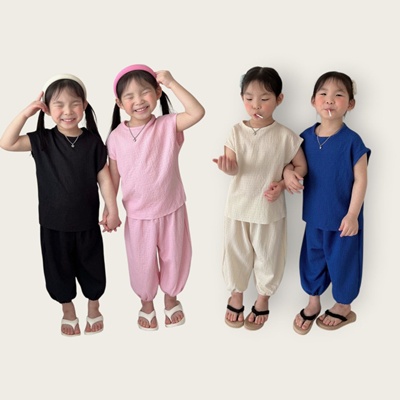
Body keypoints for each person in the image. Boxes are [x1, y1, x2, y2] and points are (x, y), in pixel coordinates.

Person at [0, 74, 121, 336]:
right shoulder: (42, 140)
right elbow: (6, 143)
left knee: (92, 267)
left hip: (87, 223)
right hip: (53, 224)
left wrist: (112, 209)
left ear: (84, 105)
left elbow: (104, 179)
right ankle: (67, 309)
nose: (67, 111)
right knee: (58, 270)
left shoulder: (92, 141)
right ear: (47, 108)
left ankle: (94, 305)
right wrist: (25, 113)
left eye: (74, 103)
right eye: (59, 104)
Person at [107, 64, 205, 331]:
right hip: (138, 215)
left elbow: (197, 112)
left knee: (175, 256)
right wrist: (110, 208)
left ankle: (171, 298)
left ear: (158, 92)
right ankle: (146, 302)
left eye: (145, 92)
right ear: (119, 103)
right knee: (141, 263)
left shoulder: (168, 125)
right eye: (129, 96)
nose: (138, 100)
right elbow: (113, 179)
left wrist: (172, 82)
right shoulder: (115, 138)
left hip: (171, 208)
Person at [213, 66, 307, 330]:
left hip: (268, 209)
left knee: (268, 254)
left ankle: (263, 297)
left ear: (279, 99)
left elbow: (301, 166)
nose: (256, 105)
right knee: (236, 252)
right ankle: (236, 294)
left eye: (264, 99)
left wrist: (285, 182)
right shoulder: (235, 132)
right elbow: (233, 166)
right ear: (242, 98)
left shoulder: (286, 136)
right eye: (249, 98)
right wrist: (228, 167)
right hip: (238, 207)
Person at [285, 71, 371, 334]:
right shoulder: (304, 137)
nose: (330, 100)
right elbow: (290, 163)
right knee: (312, 259)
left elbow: (361, 180)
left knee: (344, 262)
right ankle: (313, 302)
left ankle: (343, 306)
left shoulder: (353, 141)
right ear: (313, 101)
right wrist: (287, 173)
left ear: (350, 104)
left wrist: (353, 214)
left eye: (338, 95)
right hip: (315, 217)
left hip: (344, 220)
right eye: (323, 94)